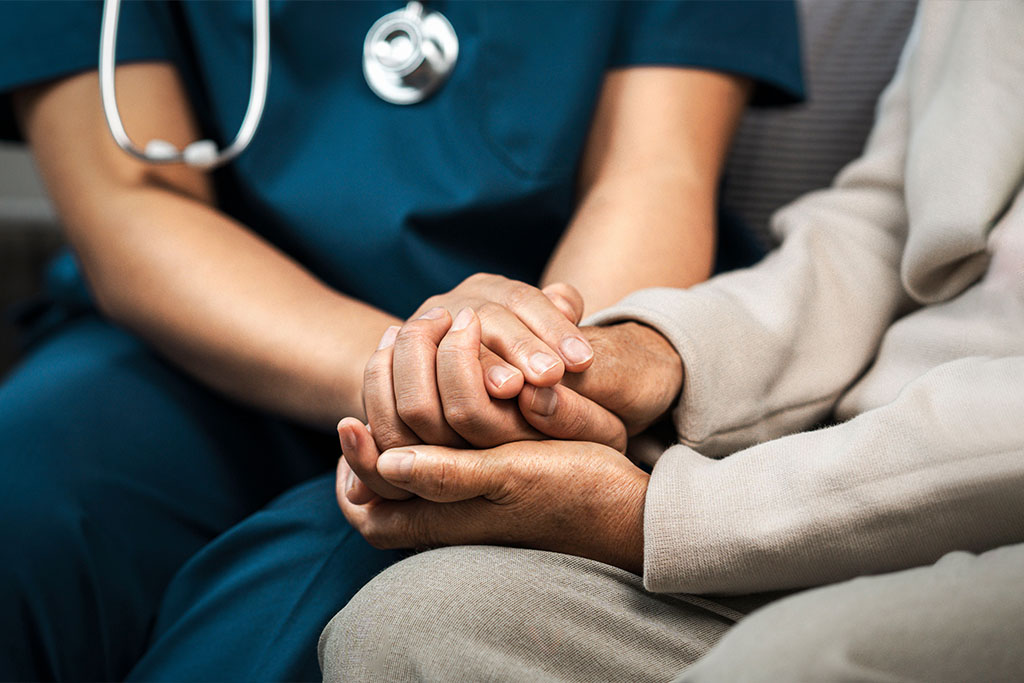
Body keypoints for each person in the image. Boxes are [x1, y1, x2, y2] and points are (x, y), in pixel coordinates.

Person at [0, 1, 803, 680]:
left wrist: (527, 375)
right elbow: (129, 207)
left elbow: (654, 173)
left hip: (555, 351)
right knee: (23, 506)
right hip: (195, 336)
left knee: (289, 613)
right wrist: (420, 374)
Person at [321, 0, 1024, 679]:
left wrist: (652, 515)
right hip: (851, 457)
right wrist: (644, 356)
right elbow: (885, 223)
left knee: (789, 663)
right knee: (412, 625)